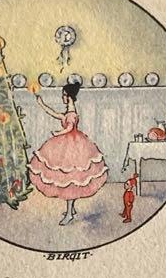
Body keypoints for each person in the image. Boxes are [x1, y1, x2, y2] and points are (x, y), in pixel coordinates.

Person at [29, 81, 107, 225]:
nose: (62, 97)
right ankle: (71, 210)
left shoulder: (71, 112)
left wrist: (58, 133)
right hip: (68, 142)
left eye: (64, 95)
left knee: (69, 180)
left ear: (69, 96)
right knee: (68, 179)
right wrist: (41, 104)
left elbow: (70, 127)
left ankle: (70, 213)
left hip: (72, 146)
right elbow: (55, 114)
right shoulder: (69, 110)